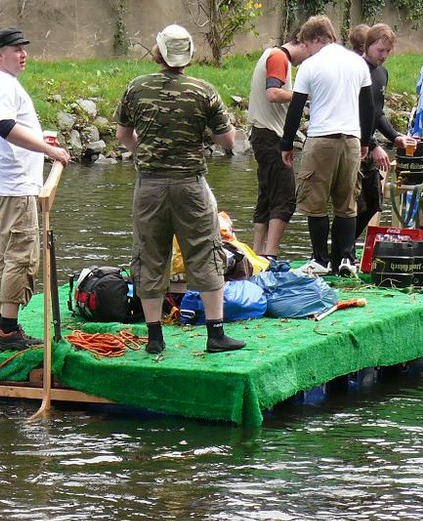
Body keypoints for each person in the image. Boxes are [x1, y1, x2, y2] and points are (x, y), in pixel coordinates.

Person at [116, 24, 244, 355]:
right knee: (205, 250)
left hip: (150, 186)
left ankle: (155, 337)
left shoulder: (136, 88)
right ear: (187, 56)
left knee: (149, 254)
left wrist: (142, 151)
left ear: (158, 52)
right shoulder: (204, 91)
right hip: (191, 185)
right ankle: (215, 334)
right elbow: (228, 142)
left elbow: (123, 135)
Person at [0, 27, 71, 351]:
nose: (23, 54)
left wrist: (40, 141)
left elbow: (8, 127)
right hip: (14, 185)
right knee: (20, 256)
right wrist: (49, 150)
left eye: (24, 48)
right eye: (16, 49)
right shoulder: (2, 84)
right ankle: (9, 332)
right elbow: (4, 126)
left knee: (0, 252)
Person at [280, 15, 374, 277]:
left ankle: (320, 259)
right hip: (351, 140)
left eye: (307, 45)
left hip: (321, 139)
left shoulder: (311, 66)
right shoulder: (358, 63)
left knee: (315, 202)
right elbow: (368, 108)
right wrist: (365, 141)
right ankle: (345, 258)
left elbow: (296, 108)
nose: (306, 51)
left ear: (317, 39)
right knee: (347, 202)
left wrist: (286, 143)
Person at [247, 33, 312, 264]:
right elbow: (273, 93)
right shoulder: (278, 57)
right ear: (303, 42)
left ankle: (256, 254)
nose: (309, 58)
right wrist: (304, 95)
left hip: (263, 135)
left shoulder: (272, 55)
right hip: (269, 136)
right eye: (311, 51)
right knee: (285, 197)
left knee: (267, 195)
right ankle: (270, 255)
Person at [356, 23, 417, 239]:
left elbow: (377, 112)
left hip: (368, 144)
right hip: (354, 143)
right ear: (368, 46)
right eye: (379, 50)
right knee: (352, 204)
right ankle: (338, 253)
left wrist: (396, 136)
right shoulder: (358, 69)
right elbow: (356, 112)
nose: (383, 56)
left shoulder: (382, 73)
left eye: (388, 51)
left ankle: (346, 249)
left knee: (373, 203)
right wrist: (372, 145)